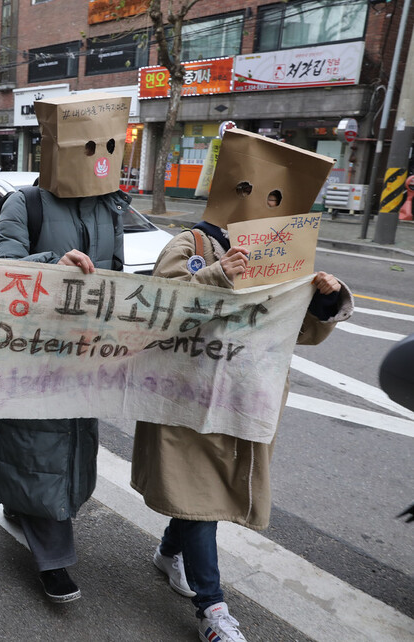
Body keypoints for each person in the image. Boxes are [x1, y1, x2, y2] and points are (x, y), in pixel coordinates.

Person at [131, 129, 354, 642]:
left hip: (242, 397)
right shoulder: (191, 243)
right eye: (257, 189)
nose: (266, 203)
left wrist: (324, 297)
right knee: (199, 495)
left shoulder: (288, 256)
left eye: (279, 196)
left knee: (203, 494)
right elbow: (157, 307)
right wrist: (215, 275)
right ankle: (213, 610)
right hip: (183, 398)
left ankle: (169, 553)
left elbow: (301, 333)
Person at [0, 92, 131, 603]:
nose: (100, 153)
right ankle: (54, 557)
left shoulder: (111, 205)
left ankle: (23, 503)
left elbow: (118, 275)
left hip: (87, 351)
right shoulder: (23, 202)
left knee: (71, 440)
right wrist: (52, 262)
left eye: (109, 144)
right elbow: (0, 267)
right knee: (36, 440)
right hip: (34, 349)